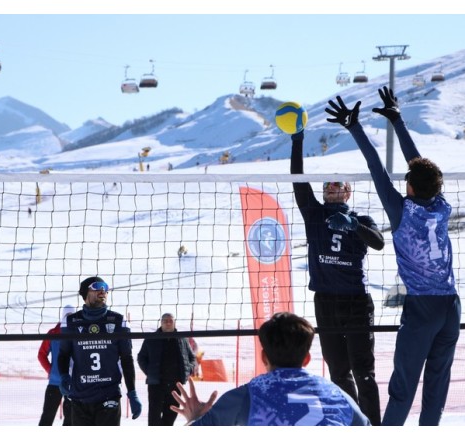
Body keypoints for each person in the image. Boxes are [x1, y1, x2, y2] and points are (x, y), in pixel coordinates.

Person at [325, 86, 461, 426]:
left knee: (403, 389)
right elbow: (419, 168)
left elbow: (376, 167)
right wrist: (397, 122)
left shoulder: (402, 211)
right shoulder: (441, 207)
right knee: (436, 390)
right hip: (452, 306)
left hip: (424, 308)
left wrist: (354, 127)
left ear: (411, 187)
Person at [289, 129, 385, 425]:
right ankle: (353, 423)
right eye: (327, 186)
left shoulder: (362, 220)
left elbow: (378, 242)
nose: (331, 189)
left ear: (347, 192)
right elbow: (298, 181)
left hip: (356, 302)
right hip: (325, 302)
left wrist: (353, 224)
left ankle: (375, 427)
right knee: (338, 372)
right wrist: (297, 142)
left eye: (337, 185)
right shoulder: (314, 215)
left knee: (363, 371)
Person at [169, 312, 370, 426]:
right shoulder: (338, 396)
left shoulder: (246, 396)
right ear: (307, 359)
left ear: (264, 357)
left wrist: (195, 418)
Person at [57, 276, 142, 425]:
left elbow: (127, 359)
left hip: (109, 397)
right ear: (85, 293)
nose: (102, 290)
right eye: (97, 286)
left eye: (105, 287)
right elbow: (63, 355)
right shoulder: (72, 322)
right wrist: (63, 376)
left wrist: (132, 392)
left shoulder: (118, 321)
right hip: (80, 397)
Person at [137, 312, 197, 426]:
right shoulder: (151, 338)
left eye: (171, 321)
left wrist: (188, 370)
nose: (168, 323)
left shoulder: (182, 339)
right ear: (161, 323)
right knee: (154, 418)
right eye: (165, 321)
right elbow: (141, 358)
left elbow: (192, 357)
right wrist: (150, 372)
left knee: (170, 417)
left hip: (176, 385)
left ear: (174, 323)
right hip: (156, 385)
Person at [37, 305, 75, 426]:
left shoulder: (79, 333)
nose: (69, 318)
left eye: (71, 315)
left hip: (73, 383)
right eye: (67, 315)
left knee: (70, 418)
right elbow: (41, 354)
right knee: (47, 417)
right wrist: (51, 370)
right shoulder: (53, 333)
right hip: (55, 383)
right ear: (62, 316)